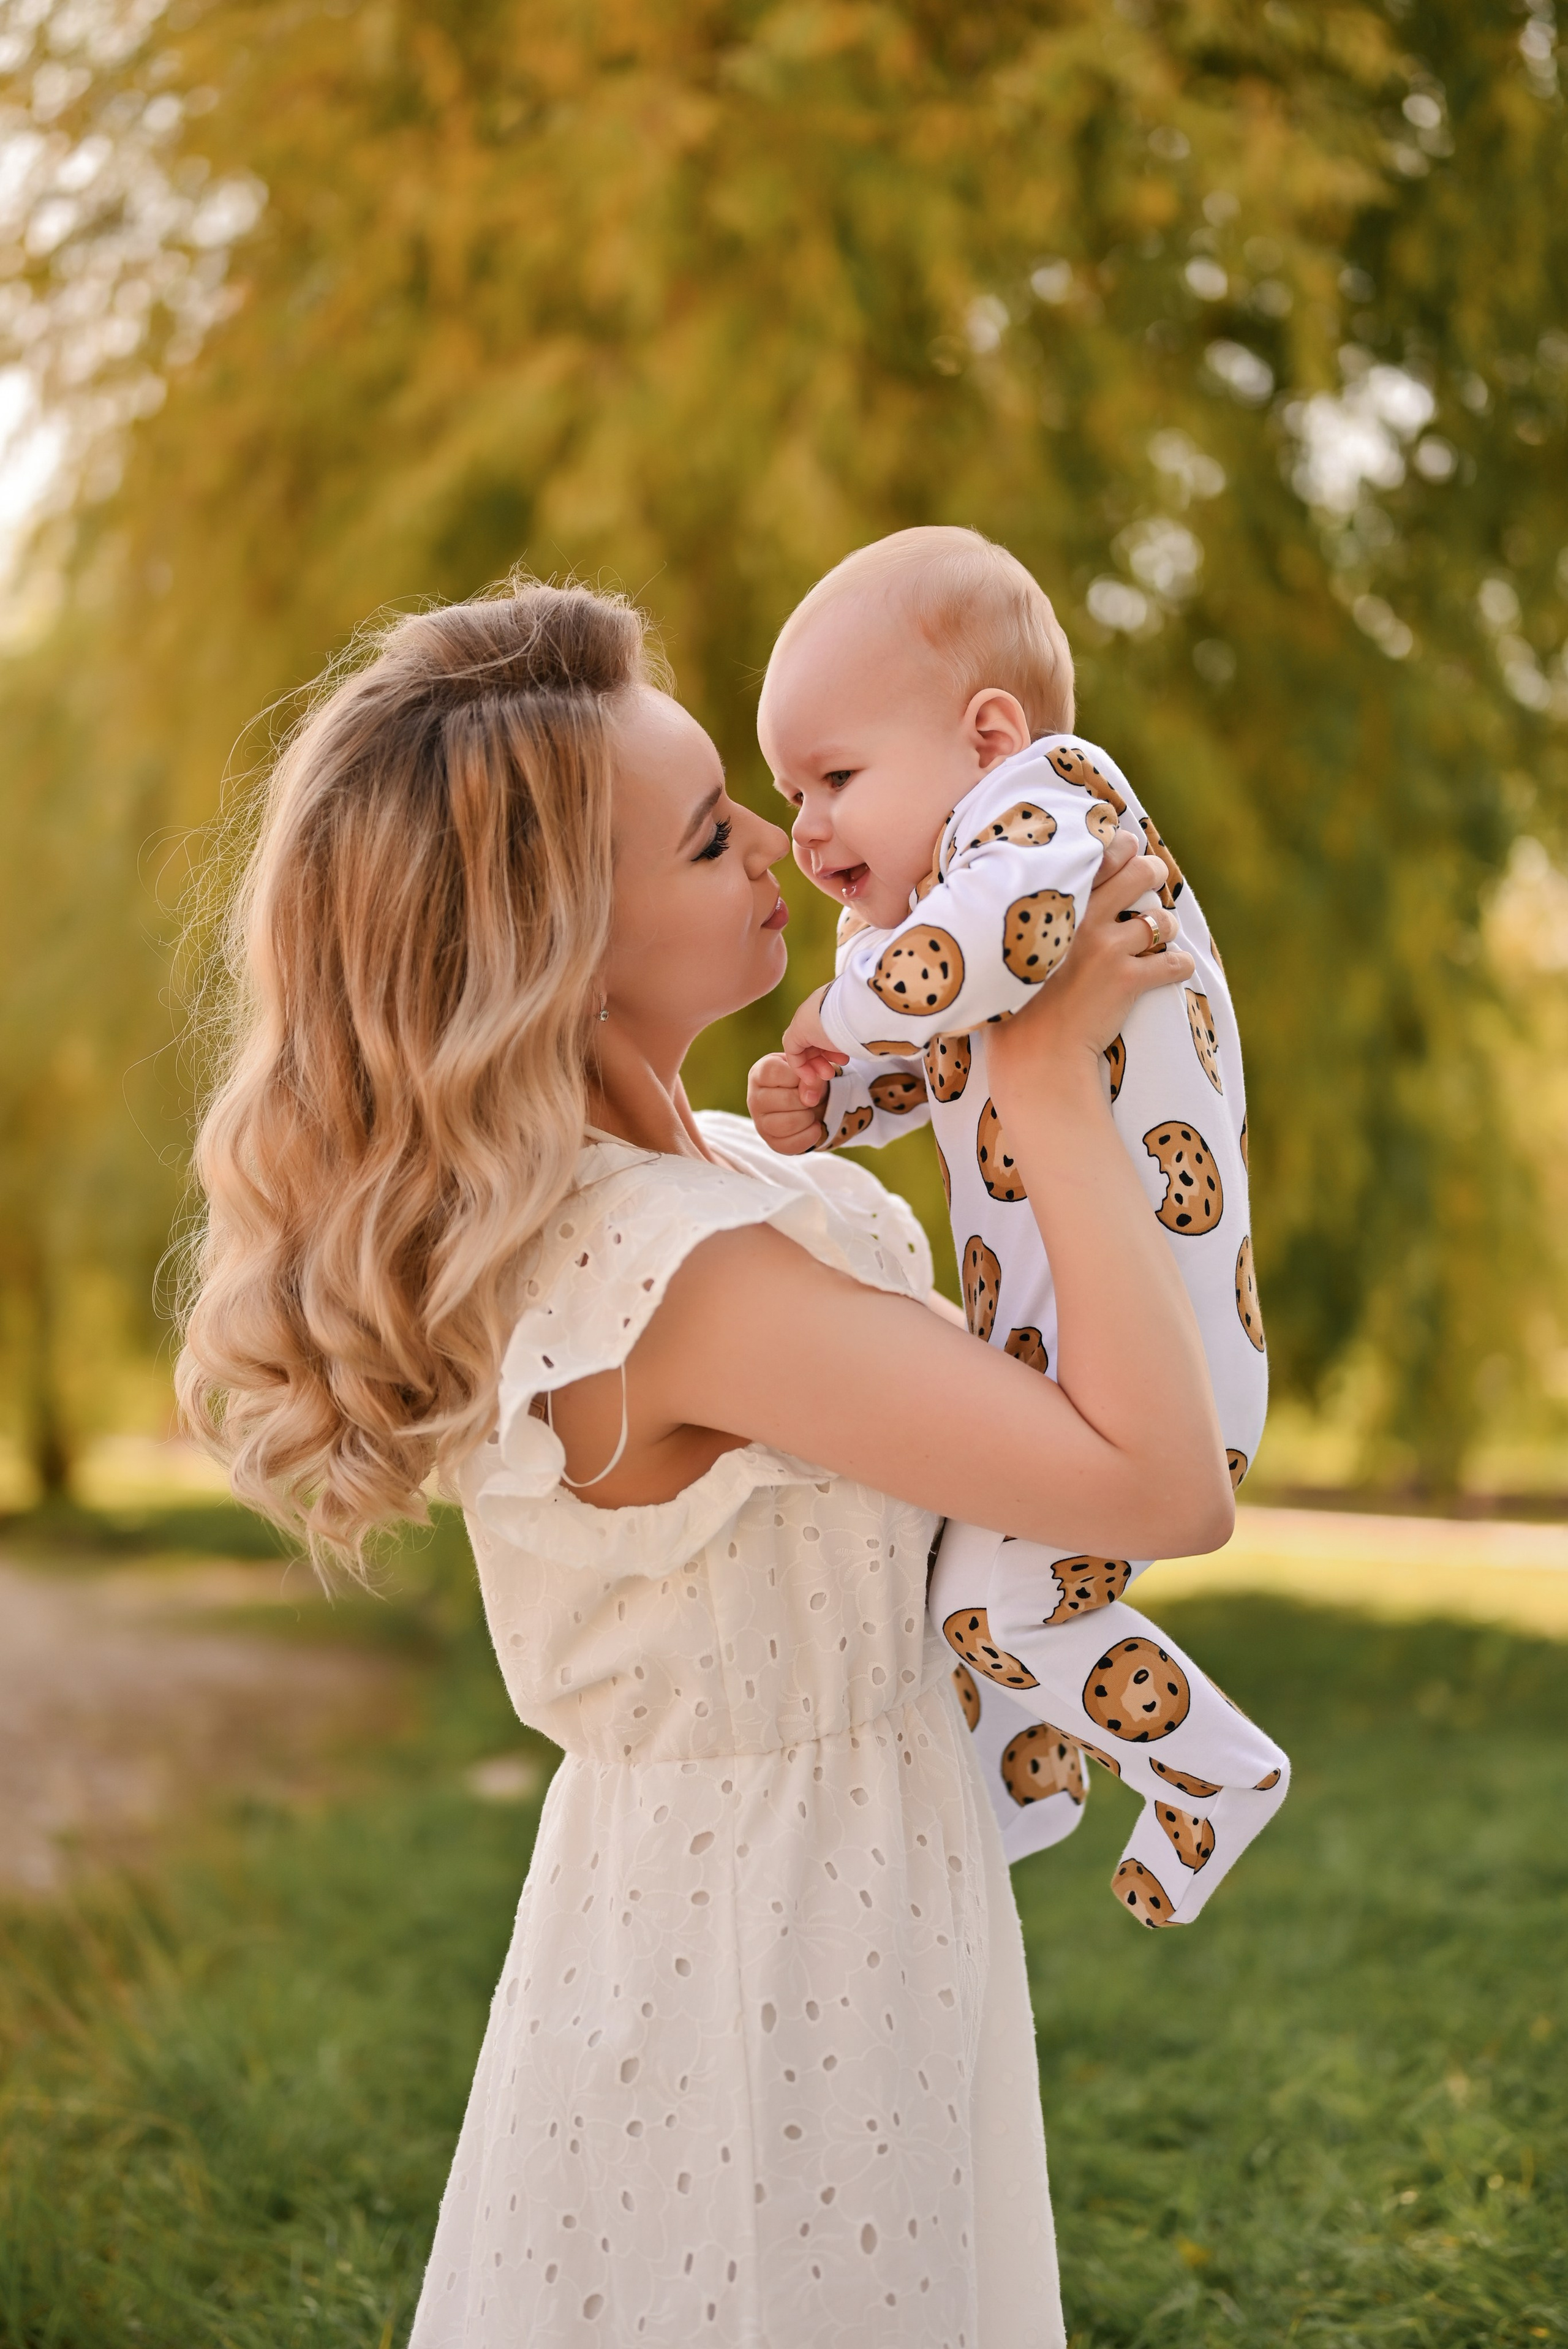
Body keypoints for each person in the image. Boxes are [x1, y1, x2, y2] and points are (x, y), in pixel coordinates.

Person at [177, 577, 1235, 2348]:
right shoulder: (676, 1275)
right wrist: (1048, 1086)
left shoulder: (742, 1178)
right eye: (703, 838)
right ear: (557, 945)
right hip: (767, 1953)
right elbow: (1157, 1483)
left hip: (817, 1882)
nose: (781, 842)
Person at [747, 529, 1287, 1925]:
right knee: (967, 1578)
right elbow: (949, 1040)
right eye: (788, 792)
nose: (805, 830)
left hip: (1157, 1361)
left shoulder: (1050, 812)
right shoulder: (964, 894)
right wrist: (835, 1092)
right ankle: (1032, 1772)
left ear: (986, 732)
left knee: (990, 1603)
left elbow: (997, 948)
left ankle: (1213, 1771)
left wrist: (840, 1006)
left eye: (835, 778)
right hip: (1063, 1354)